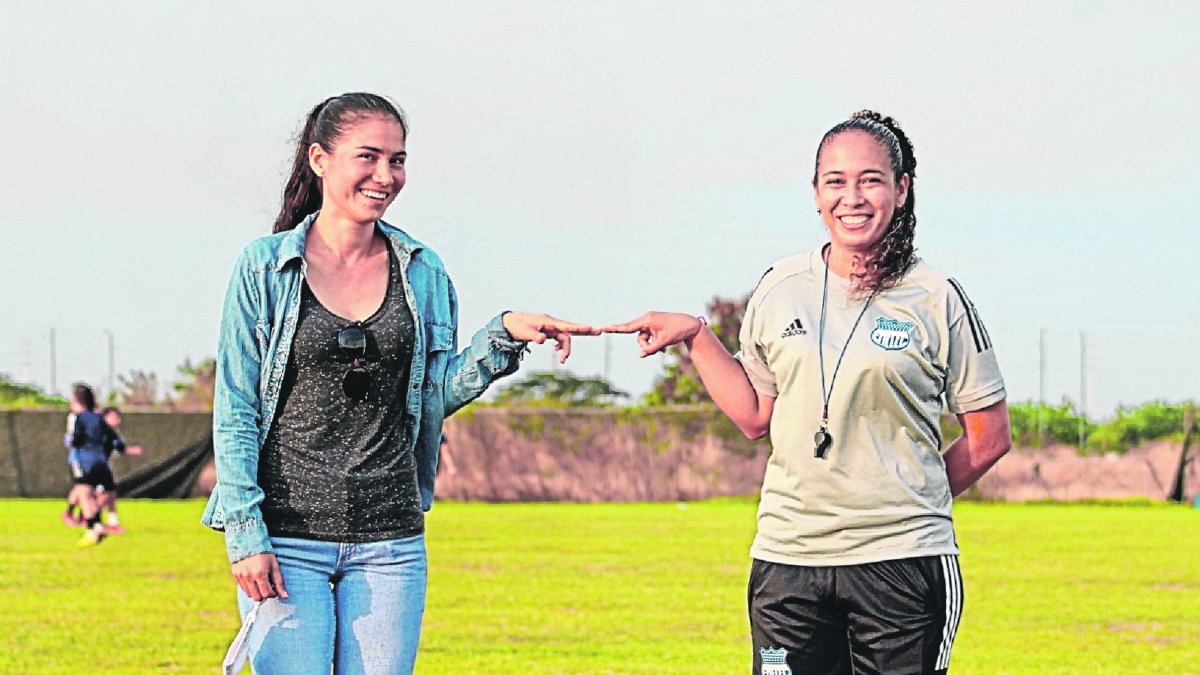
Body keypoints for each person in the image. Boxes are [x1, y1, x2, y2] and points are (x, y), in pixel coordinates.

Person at [200, 92, 598, 675]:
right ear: (319, 159)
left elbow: (432, 394)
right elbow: (235, 410)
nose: (385, 176)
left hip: (390, 544)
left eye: (398, 160)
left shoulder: (423, 270)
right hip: (286, 540)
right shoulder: (263, 266)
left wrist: (505, 333)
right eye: (369, 157)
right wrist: (246, 535)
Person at [606, 110, 1011, 675]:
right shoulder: (780, 287)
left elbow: (989, 437)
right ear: (816, 194)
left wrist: (902, 498)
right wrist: (698, 337)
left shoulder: (936, 296)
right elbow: (754, 416)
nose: (853, 197)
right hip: (787, 562)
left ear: (901, 189)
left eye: (871, 179)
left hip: (900, 562)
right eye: (835, 181)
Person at [64, 384, 134, 546]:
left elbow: (76, 439)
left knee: (83, 494)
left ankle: (93, 529)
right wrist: (121, 448)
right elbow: (115, 439)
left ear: (77, 401)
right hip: (102, 462)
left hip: (86, 461)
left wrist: (73, 441)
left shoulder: (79, 418)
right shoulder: (99, 417)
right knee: (100, 495)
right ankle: (98, 525)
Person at [95, 406, 143, 534]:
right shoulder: (103, 432)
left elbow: (120, 448)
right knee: (105, 494)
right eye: (115, 417)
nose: (118, 420)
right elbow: (123, 450)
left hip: (102, 466)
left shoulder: (110, 433)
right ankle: (92, 517)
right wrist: (134, 451)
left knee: (110, 495)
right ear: (105, 418)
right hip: (98, 467)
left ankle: (112, 523)